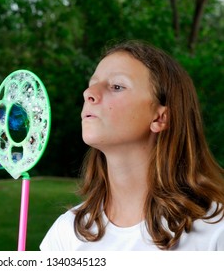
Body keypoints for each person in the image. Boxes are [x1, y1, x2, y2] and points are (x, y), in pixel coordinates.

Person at [40, 40, 224, 250]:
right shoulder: (66, 235)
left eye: (116, 86)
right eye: (92, 84)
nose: (88, 93)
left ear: (160, 118)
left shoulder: (214, 232)